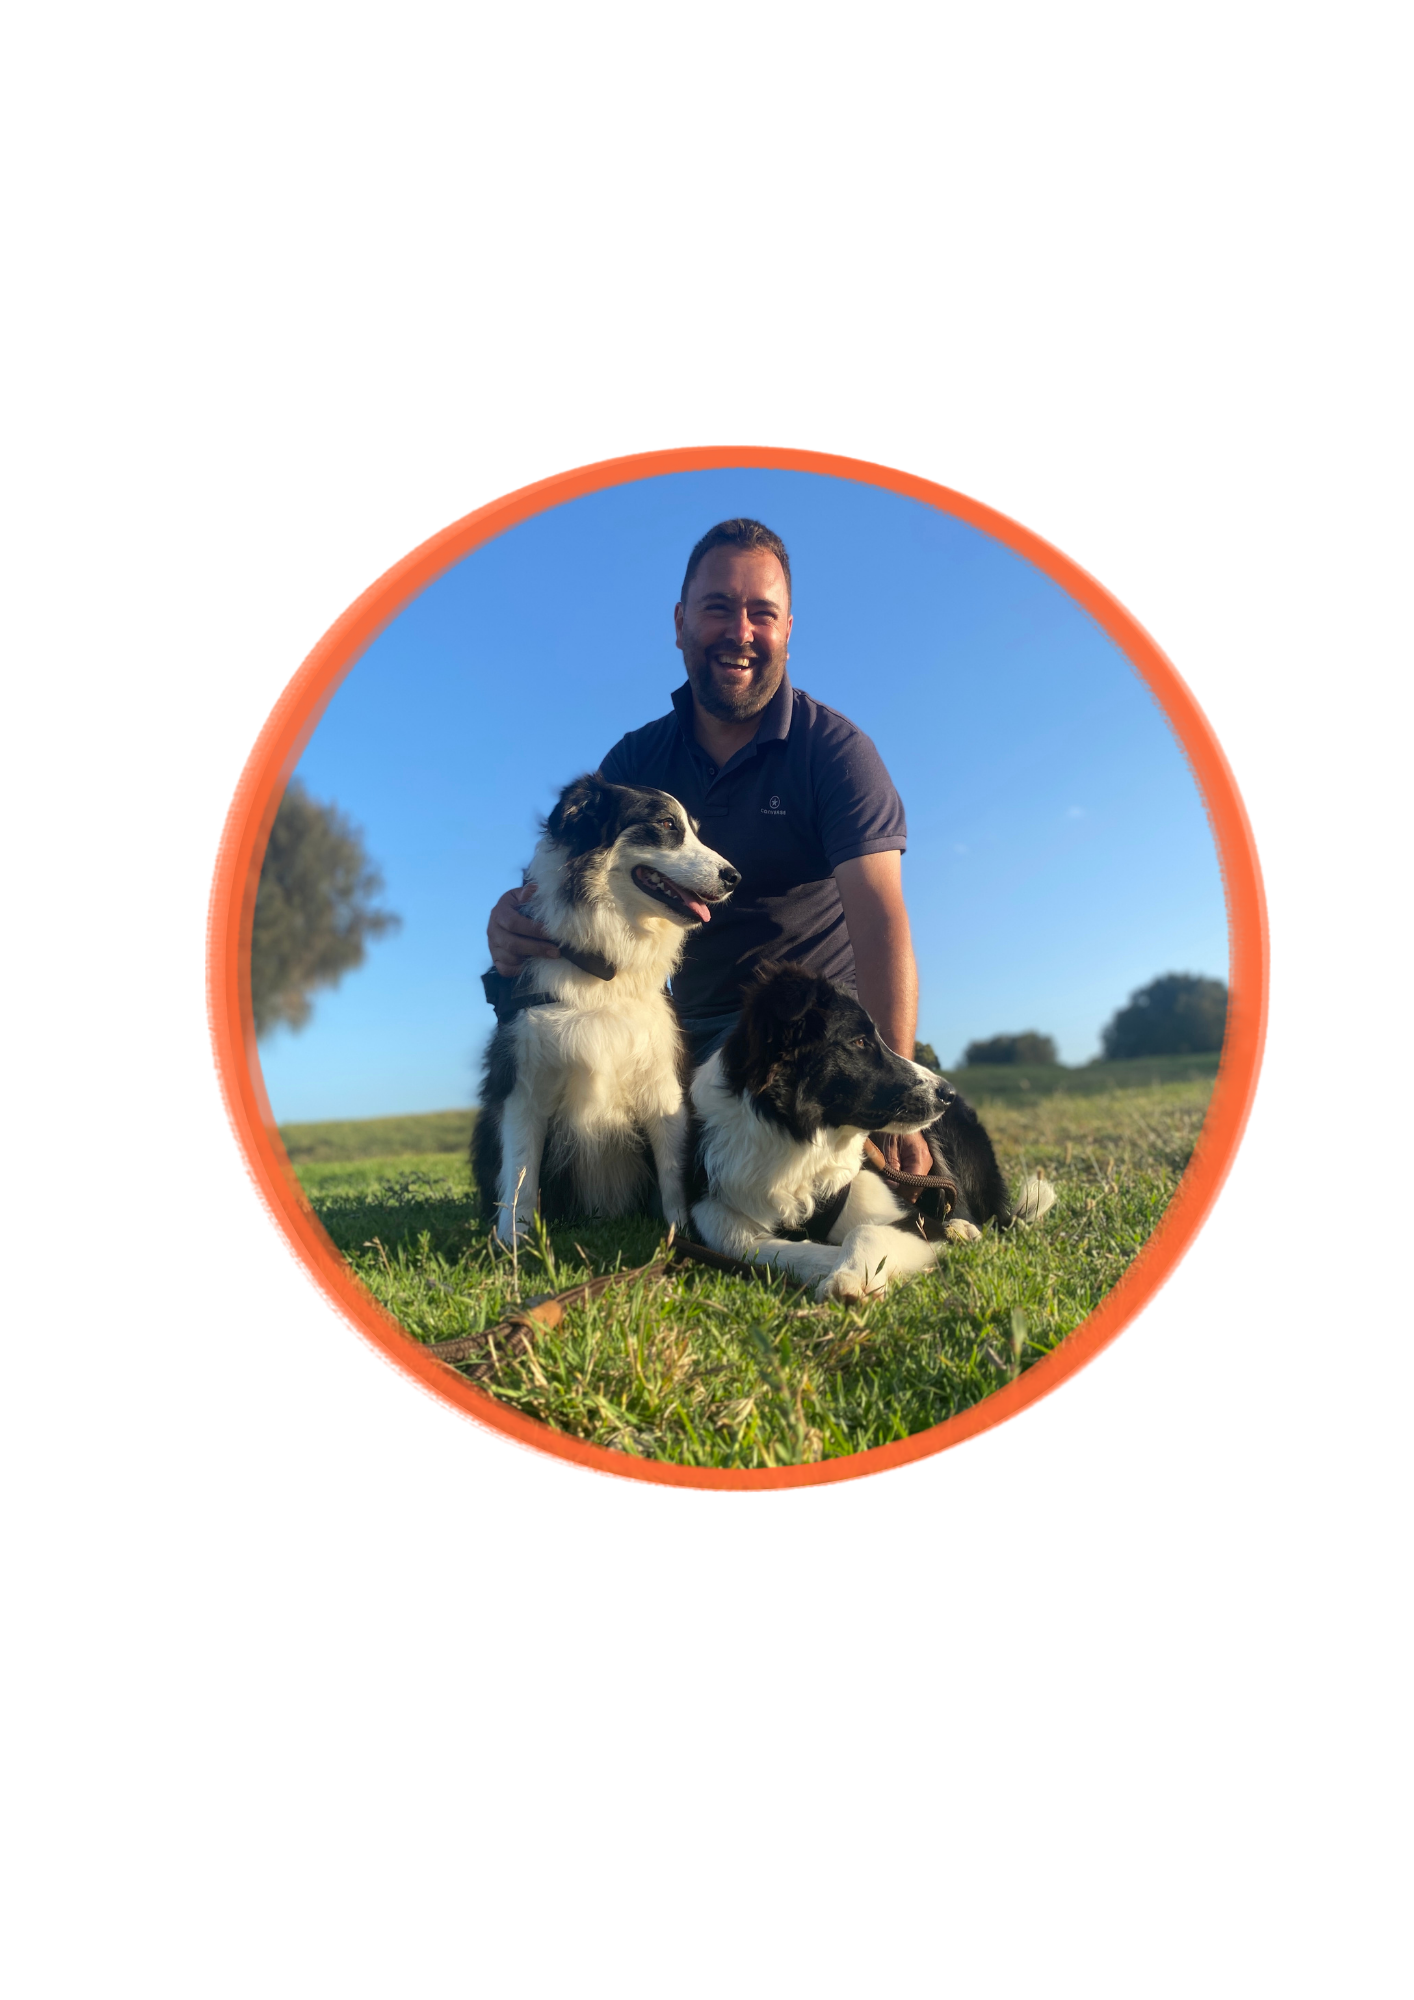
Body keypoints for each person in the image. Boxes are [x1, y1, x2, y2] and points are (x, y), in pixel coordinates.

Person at [485, 517, 934, 1184]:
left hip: (810, 1030)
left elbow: (880, 918)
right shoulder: (636, 759)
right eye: (718, 607)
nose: (740, 632)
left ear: (787, 630)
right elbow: (563, 889)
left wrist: (886, 1092)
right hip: (684, 1028)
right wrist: (509, 920)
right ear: (680, 623)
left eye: (762, 612)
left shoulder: (837, 753)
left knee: (818, 1184)